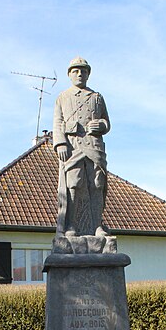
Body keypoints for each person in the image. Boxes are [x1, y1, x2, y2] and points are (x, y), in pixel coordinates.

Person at [53, 57, 110, 237]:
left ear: (88, 74)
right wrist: (60, 143)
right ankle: (71, 225)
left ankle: (97, 226)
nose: (79, 74)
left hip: (94, 146)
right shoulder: (63, 97)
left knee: (97, 184)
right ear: (69, 75)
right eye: (75, 71)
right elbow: (57, 122)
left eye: (83, 71)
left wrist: (101, 125)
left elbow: (107, 122)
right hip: (73, 146)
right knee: (74, 183)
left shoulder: (97, 97)